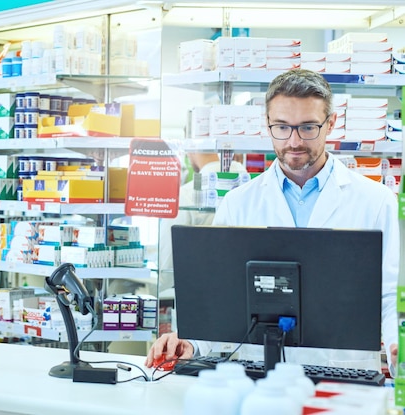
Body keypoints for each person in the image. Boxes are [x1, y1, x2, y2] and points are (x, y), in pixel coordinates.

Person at [146, 68, 398, 374]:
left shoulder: (376, 200)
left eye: (307, 127)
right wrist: (192, 343)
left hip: (343, 376)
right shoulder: (238, 203)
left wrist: (396, 342)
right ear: (268, 125)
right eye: (282, 127)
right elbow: (220, 299)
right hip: (259, 376)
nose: (294, 141)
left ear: (330, 124)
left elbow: (389, 294)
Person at [157, 152, 246, 293]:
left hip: (200, 297)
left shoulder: (186, 195)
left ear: (191, 151)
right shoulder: (254, 188)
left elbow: (167, 270)